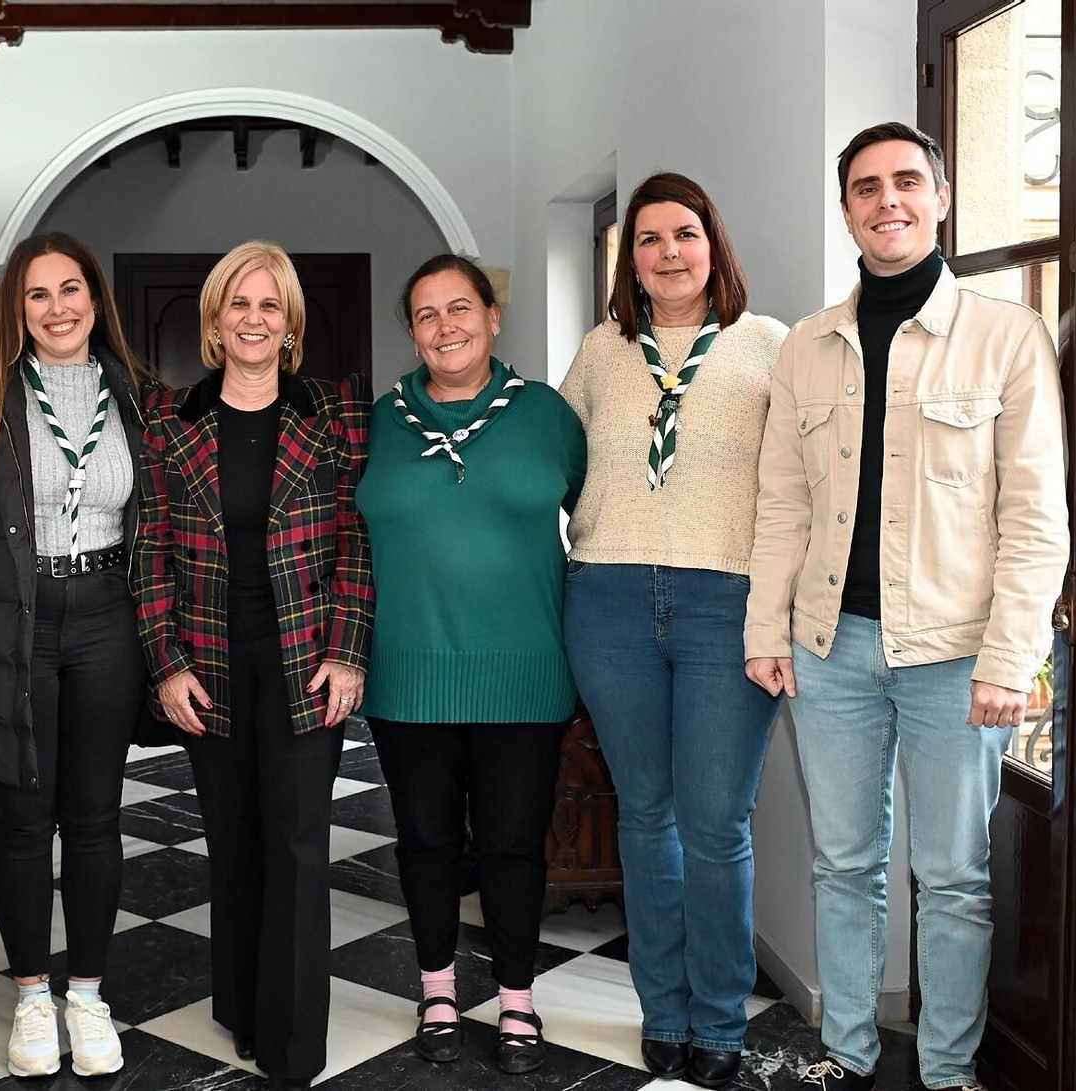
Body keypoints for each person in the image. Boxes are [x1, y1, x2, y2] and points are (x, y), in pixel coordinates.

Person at [745, 122, 1067, 1091]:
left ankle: (944, 1070)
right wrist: (766, 629)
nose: (886, 200)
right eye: (864, 187)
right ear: (845, 208)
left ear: (939, 198)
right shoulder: (806, 345)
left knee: (954, 878)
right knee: (844, 866)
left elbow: (1035, 512)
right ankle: (845, 1052)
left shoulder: (1005, 335)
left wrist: (1010, 656)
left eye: (904, 183)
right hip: (828, 647)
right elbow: (781, 504)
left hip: (954, 656)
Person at [557, 173, 788, 1088]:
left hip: (726, 603)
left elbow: (801, 489)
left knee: (718, 823)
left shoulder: (769, 346)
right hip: (608, 597)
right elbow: (552, 462)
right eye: (647, 240)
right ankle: (663, 1009)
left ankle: (720, 1017)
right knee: (646, 818)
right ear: (631, 261)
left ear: (713, 244)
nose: (667, 253)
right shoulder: (601, 352)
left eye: (683, 234)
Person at [0, 232, 151, 1078]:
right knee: (21, 818)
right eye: (38, 293)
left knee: (94, 815)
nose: (57, 307)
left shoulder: (136, 393)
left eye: (71, 288)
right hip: (13, 619)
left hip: (107, 618)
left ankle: (86, 993)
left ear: (95, 299)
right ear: (16, 307)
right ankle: (30, 996)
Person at [132, 240, 373, 1091]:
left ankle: (294, 1040)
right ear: (214, 318)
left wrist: (348, 651)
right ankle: (239, 1001)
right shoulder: (172, 420)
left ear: (291, 322)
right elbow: (150, 547)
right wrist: (164, 664)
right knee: (231, 841)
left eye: (270, 306)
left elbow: (357, 541)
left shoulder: (337, 413)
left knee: (300, 843)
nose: (254, 319)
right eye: (239, 303)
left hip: (306, 656)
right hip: (210, 656)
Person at [355, 253, 585, 1075]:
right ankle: (439, 989)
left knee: (513, 846)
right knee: (423, 842)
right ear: (410, 332)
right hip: (407, 676)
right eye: (426, 314)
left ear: (494, 317)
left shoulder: (550, 415)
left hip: (524, 674)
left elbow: (599, 523)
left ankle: (518, 998)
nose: (446, 326)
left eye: (461, 308)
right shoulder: (376, 421)